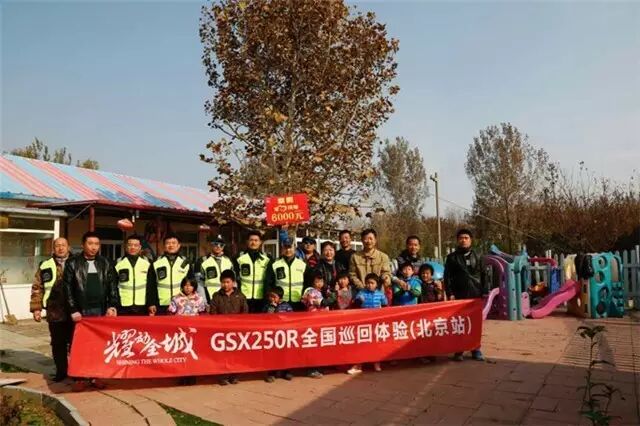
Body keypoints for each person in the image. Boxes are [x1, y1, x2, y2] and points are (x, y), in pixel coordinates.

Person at [63, 231, 119, 391]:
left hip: (100, 310)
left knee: (98, 345)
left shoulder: (106, 263)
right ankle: (79, 378)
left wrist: (112, 305)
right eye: (90, 243)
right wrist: (73, 309)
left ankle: (96, 376)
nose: (94, 247)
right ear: (83, 245)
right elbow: (67, 289)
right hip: (80, 311)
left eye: (96, 244)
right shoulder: (72, 263)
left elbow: (112, 286)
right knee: (79, 346)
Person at [29, 237, 72, 382]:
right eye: (57, 246)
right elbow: (37, 288)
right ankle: (61, 371)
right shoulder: (45, 265)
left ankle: (76, 372)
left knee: (75, 343)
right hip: (54, 310)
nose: (60, 248)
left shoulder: (77, 263)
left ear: (68, 247)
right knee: (58, 343)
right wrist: (36, 308)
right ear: (53, 249)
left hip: (74, 310)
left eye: (63, 245)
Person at [444, 229, 486, 362]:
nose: (463, 240)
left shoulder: (478, 255)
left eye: (466, 238)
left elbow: (484, 274)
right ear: (457, 240)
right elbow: (447, 277)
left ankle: (476, 349)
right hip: (459, 294)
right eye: (461, 238)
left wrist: (485, 291)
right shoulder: (452, 258)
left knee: (475, 323)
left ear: (471, 240)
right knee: (459, 323)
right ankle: (459, 350)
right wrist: (450, 293)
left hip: (475, 293)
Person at [210, 270, 248, 385]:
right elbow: (213, 312)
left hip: (236, 330)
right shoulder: (216, 296)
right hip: (221, 330)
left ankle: (234, 375)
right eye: (223, 282)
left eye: (228, 282)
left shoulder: (240, 296)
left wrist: (240, 326)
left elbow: (245, 312)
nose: (225, 285)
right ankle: (223, 376)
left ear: (233, 282)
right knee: (222, 354)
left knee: (235, 353)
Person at [168, 277, 206, 385]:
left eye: (190, 285)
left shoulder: (199, 299)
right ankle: (181, 376)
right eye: (185, 285)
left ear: (194, 287)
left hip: (194, 331)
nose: (188, 287)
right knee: (181, 354)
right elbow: (170, 313)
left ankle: (192, 376)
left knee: (192, 354)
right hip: (180, 331)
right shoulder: (176, 298)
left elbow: (202, 313)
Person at [349, 273, 387, 374]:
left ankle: (376, 363)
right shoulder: (361, 293)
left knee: (376, 344)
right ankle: (358, 365)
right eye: (368, 283)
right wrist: (358, 301)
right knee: (362, 344)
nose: (370, 285)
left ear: (376, 284)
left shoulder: (380, 294)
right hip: (364, 324)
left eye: (372, 283)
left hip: (376, 323)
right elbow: (355, 305)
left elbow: (385, 307)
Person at [147, 234, 193, 315]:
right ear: (164, 246)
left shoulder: (186, 262)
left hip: (181, 303)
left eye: (173, 243)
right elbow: (151, 284)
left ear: (178, 245)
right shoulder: (156, 262)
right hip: (161, 303)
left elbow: (192, 284)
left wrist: (191, 300)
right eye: (168, 243)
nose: (171, 245)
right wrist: (151, 303)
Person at [349, 229, 392, 302]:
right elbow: (352, 275)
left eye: (371, 238)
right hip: (361, 293)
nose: (368, 241)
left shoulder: (383, 257)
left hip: (378, 294)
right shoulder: (355, 257)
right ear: (362, 240)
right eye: (366, 239)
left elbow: (386, 273)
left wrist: (386, 278)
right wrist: (362, 287)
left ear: (375, 240)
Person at [114, 235, 152, 316]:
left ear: (140, 247)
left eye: (136, 245)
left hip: (142, 305)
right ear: (126, 246)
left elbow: (151, 285)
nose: (133, 247)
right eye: (130, 245)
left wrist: (151, 303)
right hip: (123, 305)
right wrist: (114, 304)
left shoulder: (148, 263)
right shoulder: (118, 263)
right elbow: (114, 285)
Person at [263, 286, 294, 382]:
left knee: (285, 354)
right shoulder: (268, 306)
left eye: (274, 297)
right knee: (272, 354)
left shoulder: (287, 306)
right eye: (270, 296)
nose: (272, 299)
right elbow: (265, 317)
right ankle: (272, 373)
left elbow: (292, 318)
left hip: (284, 334)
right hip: (272, 334)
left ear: (280, 297)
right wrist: (272, 308)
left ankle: (286, 372)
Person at [267, 238, 307, 311]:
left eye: (290, 247)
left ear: (295, 248)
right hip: (280, 302)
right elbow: (269, 284)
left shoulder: (302, 264)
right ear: (282, 248)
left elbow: (307, 283)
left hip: (299, 302)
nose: (288, 250)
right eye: (285, 247)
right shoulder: (275, 264)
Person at [236, 230, 271, 312]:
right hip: (243, 297)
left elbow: (270, 279)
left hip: (261, 297)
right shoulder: (239, 257)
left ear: (260, 242)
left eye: (256, 240)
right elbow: (235, 278)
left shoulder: (266, 259)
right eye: (251, 240)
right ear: (247, 242)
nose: (253, 243)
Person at [195, 235, 235, 306]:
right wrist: (204, 300)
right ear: (211, 245)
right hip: (210, 299)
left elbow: (234, 282)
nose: (218, 246)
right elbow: (199, 283)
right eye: (216, 244)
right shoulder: (201, 261)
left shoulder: (229, 261)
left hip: (228, 298)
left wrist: (234, 297)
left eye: (221, 245)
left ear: (223, 247)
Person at [418, 263, 444, 364]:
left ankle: (431, 353)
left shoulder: (435, 284)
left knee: (431, 334)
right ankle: (422, 355)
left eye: (427, 273)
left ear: (431, 274)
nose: (425, 275)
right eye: (423, 273)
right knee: (422, 335)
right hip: (421, 313)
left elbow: (440, 298)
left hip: (432, 314)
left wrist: (440, 290)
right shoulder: (418, 284)